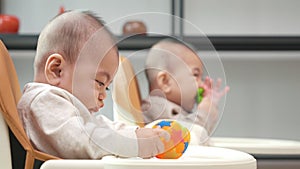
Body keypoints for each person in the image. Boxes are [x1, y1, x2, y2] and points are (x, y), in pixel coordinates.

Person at [17, 10, 170, 159]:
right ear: (57, 70)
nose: (103, 95)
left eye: (107, 87)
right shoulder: (44, 100)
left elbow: (102, 126)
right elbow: (81, 141)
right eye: (100, 82)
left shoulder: (63, 107)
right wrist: (135, 142)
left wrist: (138, 132)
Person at [142, 39, 229, 145]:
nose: (201, 84)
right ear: (165, 82)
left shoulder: (168, 109)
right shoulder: (156, 107)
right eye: (196, 75)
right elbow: (188, 137)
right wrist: (205, 112)